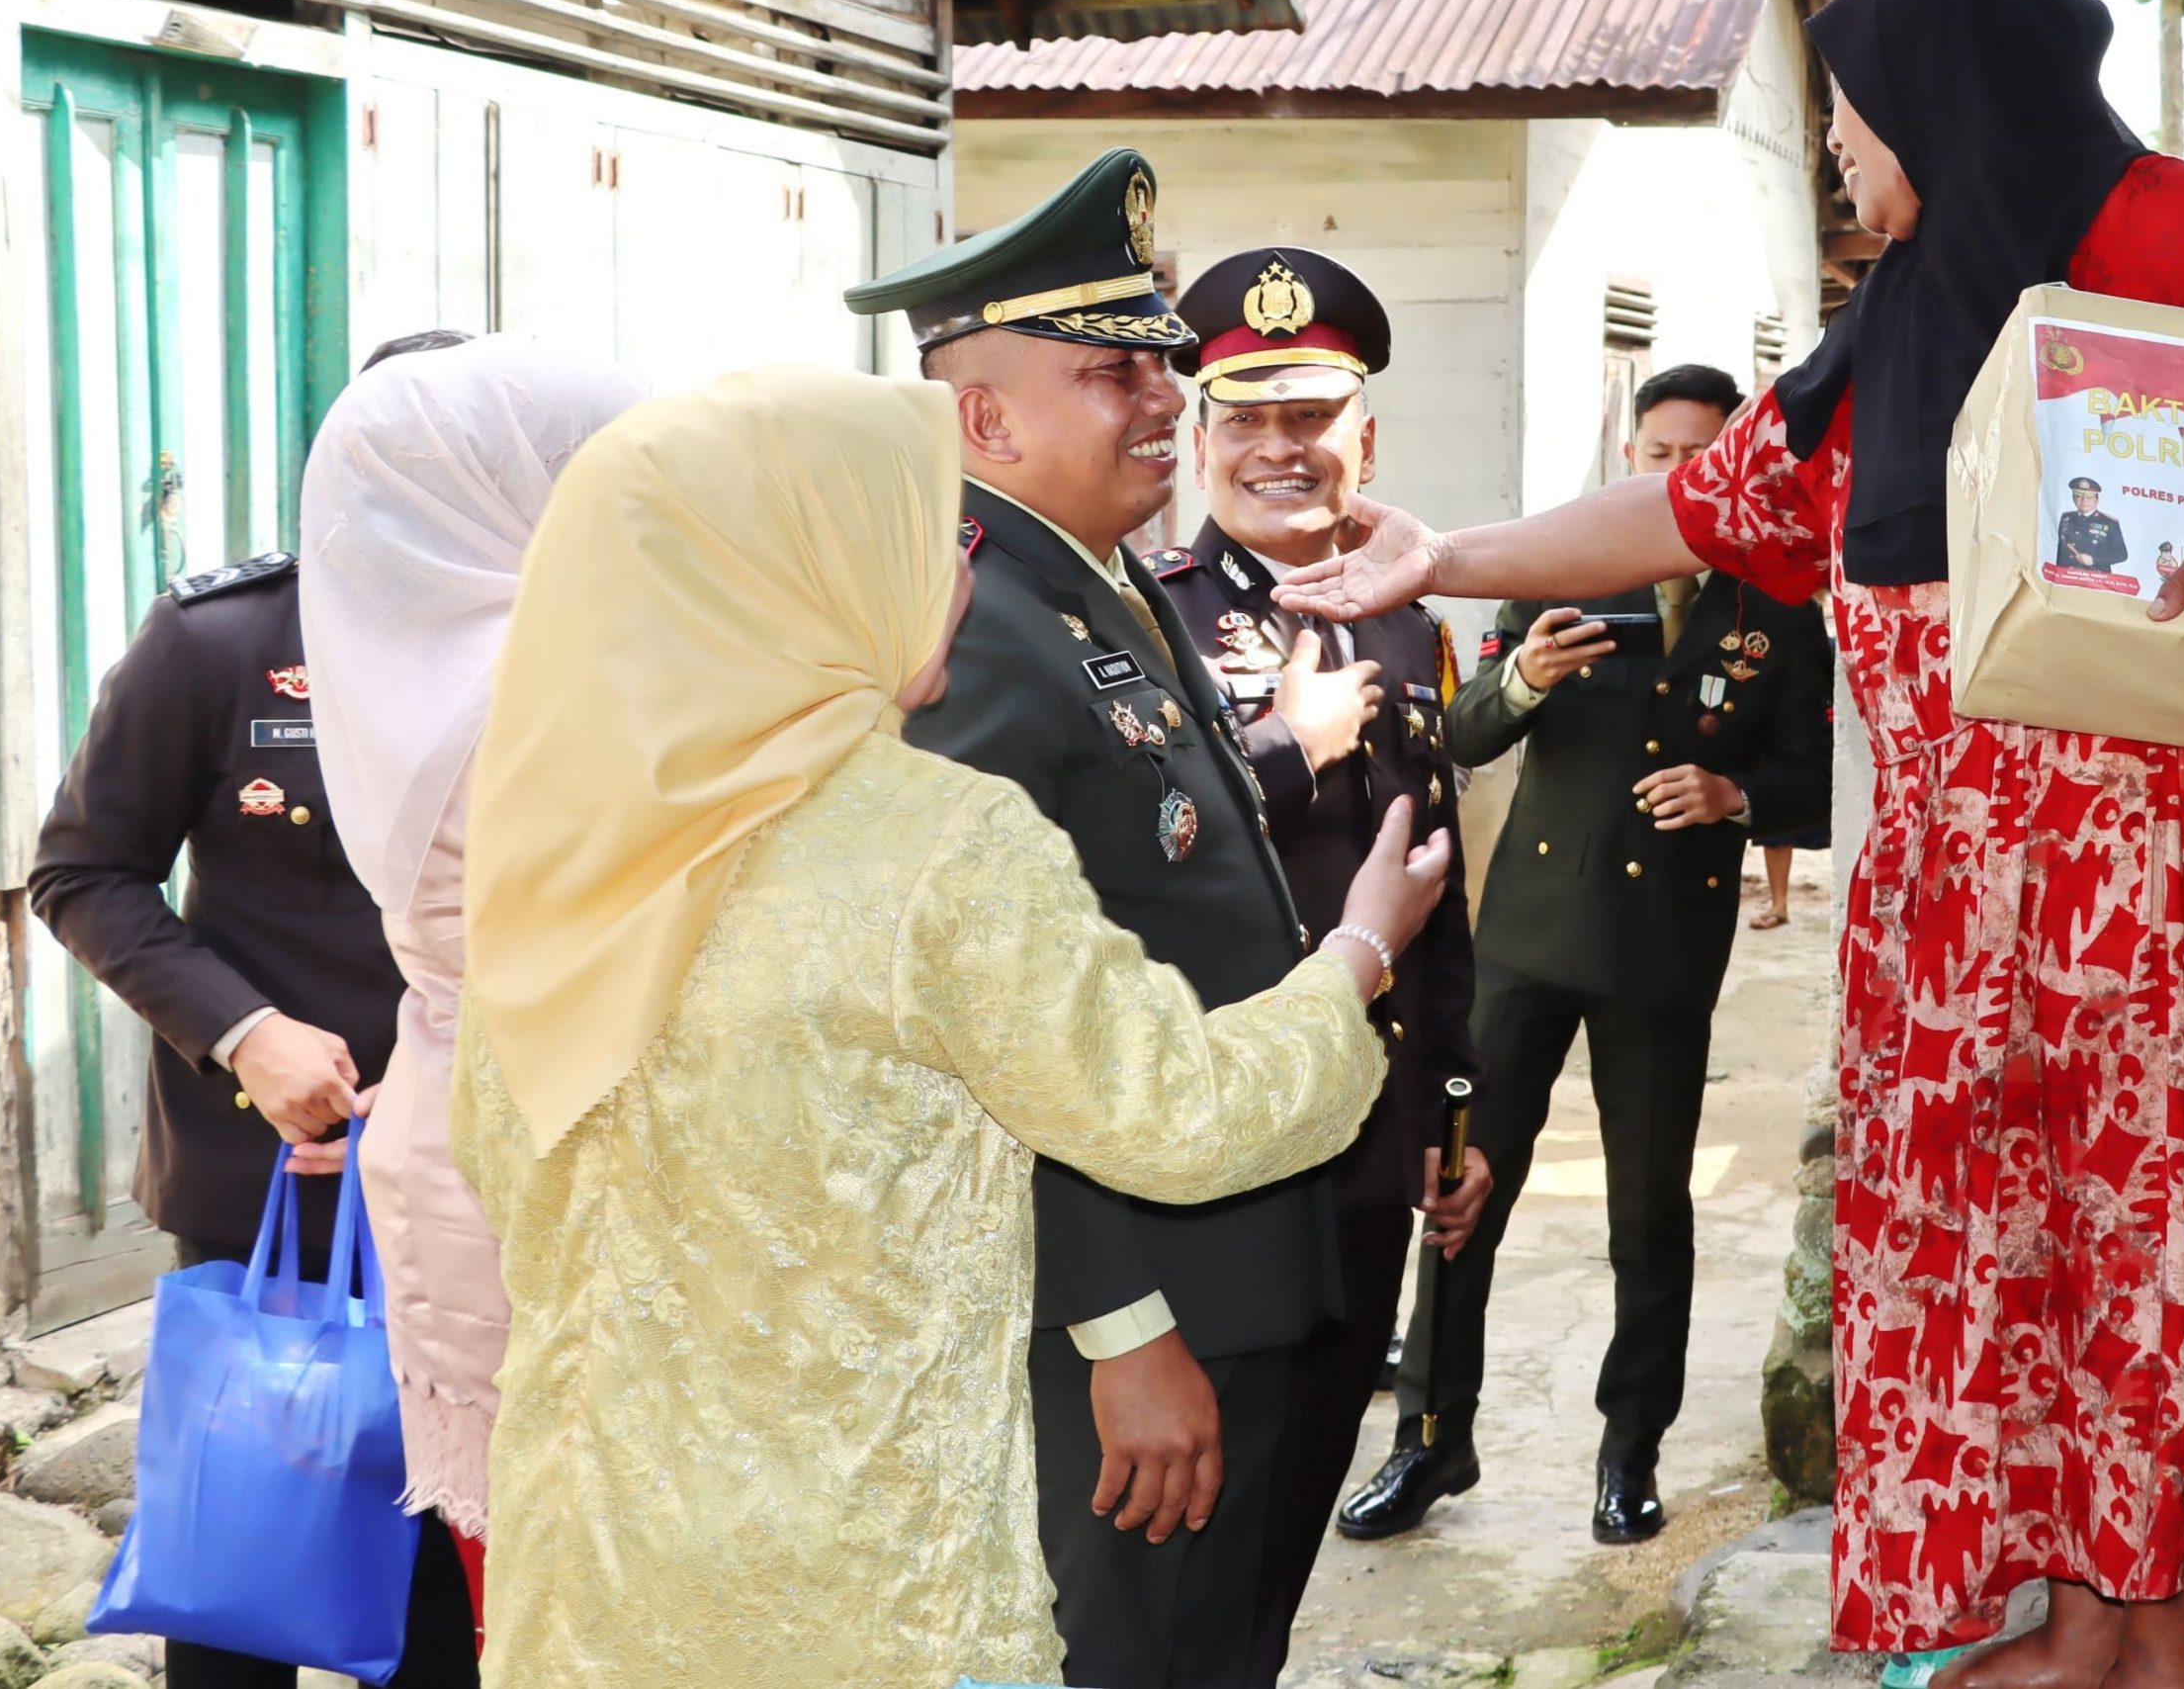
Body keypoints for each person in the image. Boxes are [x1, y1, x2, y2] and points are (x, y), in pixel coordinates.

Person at [1272, 0, 2184, 1689]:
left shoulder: (2140, 225)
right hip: (1970, 926)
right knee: (2035, 1273)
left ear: (1944, 102)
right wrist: (1450, 554)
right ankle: (2089, 1628)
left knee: (2160, 1257)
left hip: (2166, 914)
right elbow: (1685, 510)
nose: (1830, 146)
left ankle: (2163, 1646)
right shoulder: (1883, 345)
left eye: (1847, 112)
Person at [447, 366, 1451, 1688]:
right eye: (918, 542)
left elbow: (498, 1152)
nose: (966, 583)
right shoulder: (929, 846)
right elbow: (1179, 1113)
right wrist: (1361, 952)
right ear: (809, 573)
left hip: (613, 1551)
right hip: (865, 1552)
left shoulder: (564, 842)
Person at [844, 150, 1352, 1689]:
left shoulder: (1098, 580)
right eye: (1110, 371)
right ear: (982, 418)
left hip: (1233, 1240)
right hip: (1139, 1301)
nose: (1164, 402)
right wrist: (1117, 1323)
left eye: (1159, 366)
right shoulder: (977, 627)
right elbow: (982, 1028)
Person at [26, 368, 482, 1686]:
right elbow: (83, 870)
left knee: (454, 1588)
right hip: (276, 1175)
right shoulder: (223, 640)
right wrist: (242, 1034)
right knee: (242, 1579)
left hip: (477, 1177)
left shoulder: (553, 642)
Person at [1337, 364, 1831, 1549]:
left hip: (1662, 951)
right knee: (1460, 1199)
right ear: (1631, 452)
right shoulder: (1562, 569)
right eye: (1656, 453)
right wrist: (1520, 677)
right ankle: (1428, 1443)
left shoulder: (1773, 606)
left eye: (1697, 456)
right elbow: (1458, 733)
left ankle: (1628, 1453)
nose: (1672, 475)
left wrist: (1731, 791)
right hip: (1525, 942)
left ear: (1734, 467)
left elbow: (1811, 793)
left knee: (1646, 1217)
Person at [1145, 244, 1489, 1684]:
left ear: (1366, 432)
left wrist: (1453, 1120)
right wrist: (1290, 750)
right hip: (1218, 1165)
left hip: (1363, 1154)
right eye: (1247, 418)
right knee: (1190, 1558)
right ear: (1201, 436)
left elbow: (1436, 882)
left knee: (1283, 1539)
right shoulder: (1147, 619)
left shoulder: (1412, 610)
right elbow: (1137, 876)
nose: (1280, 450)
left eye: (1311, 417)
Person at [299, 336, 651, 1572]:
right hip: (560, 1179)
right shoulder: (550, 687)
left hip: (458, 1145)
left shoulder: (407, 663)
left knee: (526, 1586)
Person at [2054, 476, 2129, 571]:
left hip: (2096, 578)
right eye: (2079, 496)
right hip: (2067, 574)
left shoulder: (2109, 522)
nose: (2084, 501)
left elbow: (2121, 554)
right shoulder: (2066, 518)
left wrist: (2094, 559)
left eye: (2089, 497)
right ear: (2073, 498)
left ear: (2097, 500)